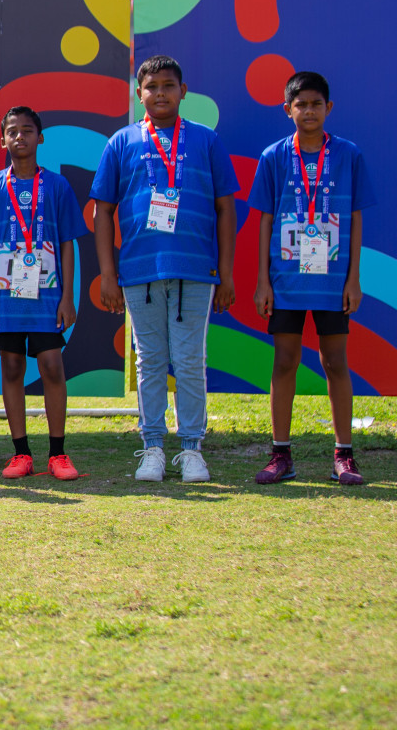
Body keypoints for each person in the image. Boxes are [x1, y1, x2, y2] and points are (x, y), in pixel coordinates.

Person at [93, 55, 238, 484]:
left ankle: (192, 448)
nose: (160, 93)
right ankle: (153, 446)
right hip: (139, 271)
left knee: (191, 361)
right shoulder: (122, 141)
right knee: (151, 361)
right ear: (139, 94)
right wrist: (107, 273)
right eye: (151, 86)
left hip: (197, 268)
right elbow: (103, 210)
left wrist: (226, 273)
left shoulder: (206, 140)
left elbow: (226, 208)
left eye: (168, 85)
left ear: (183, 91)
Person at [249, 72, 372, 486]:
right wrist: (263, 281)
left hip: (333, 281)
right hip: (285, 280)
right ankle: (281, 455)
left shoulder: (349, 155)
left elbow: (355, 218)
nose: (309, 111)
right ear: (288, 110)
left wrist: (353, 279)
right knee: (284, 361)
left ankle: (344, 455)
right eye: (300, 105)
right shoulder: (273, 157)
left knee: (335, 361)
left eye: (316, 104)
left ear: (328, 109)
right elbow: (265, 220)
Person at [0, 107, 86, 480]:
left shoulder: (57, 186)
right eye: (12, 132)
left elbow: (68, 243)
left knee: (52, 366)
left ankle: (58, 453)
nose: (19, 137)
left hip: (47, 295)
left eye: (27, 130)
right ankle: (21, 454)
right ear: (2, 140)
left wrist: (69, 296)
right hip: (4, 296)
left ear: (41, 137)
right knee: (11, 366)